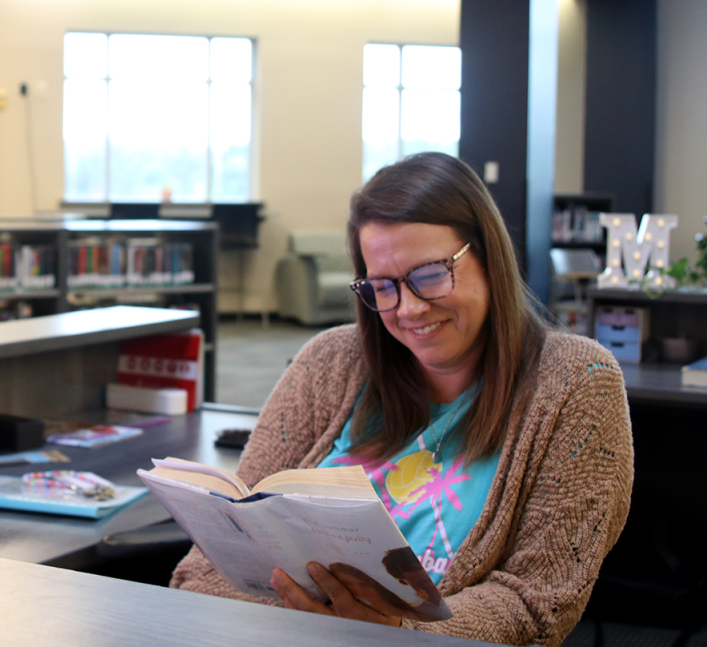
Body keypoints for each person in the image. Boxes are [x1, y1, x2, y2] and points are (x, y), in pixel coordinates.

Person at [170, 152, 633, 646]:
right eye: (383, 286)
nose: (409, 308)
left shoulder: (576, 382)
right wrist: (304, 617)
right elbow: (215, 561)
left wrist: (398, 633)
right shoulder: (328, 362)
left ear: (488, 256)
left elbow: (535, 601)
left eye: (431, 274)